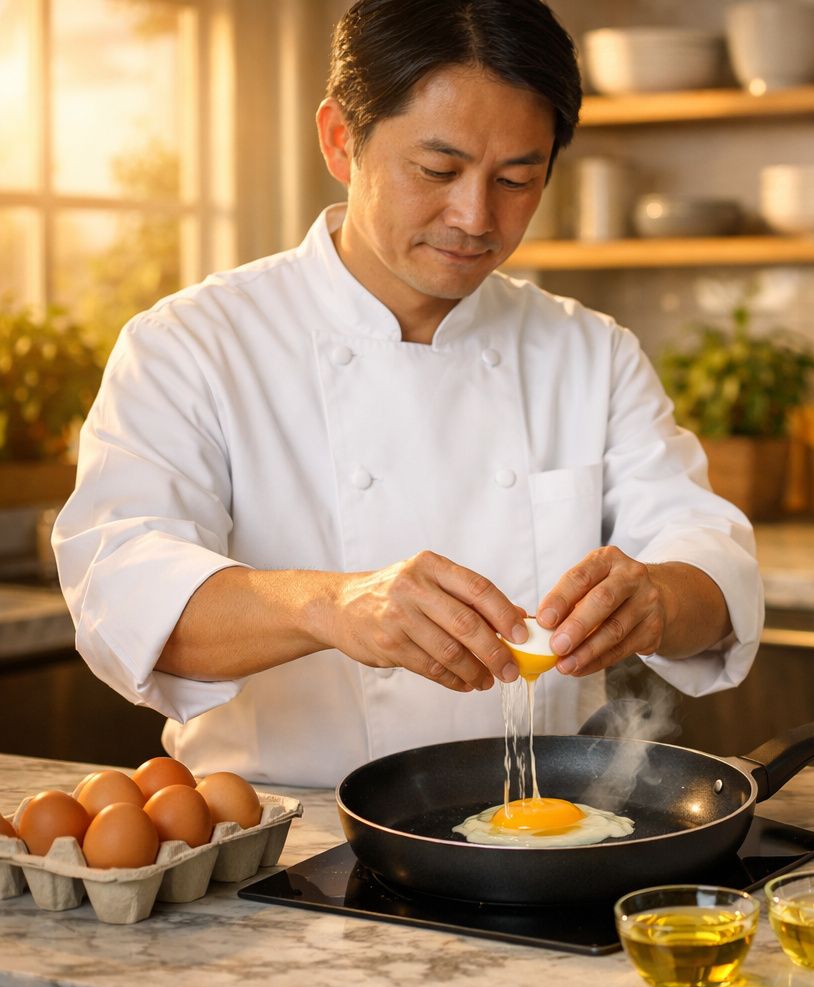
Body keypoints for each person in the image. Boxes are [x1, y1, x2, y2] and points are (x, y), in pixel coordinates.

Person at [52, 0, 763, 787]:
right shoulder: (192, 343)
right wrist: (329, 605)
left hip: (541, 833)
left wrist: (657, 597)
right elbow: (122, 596)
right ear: (339, 139)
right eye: (437, 170)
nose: (474, 216)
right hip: (278, 844)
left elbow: (710, 563)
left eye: (518, 179)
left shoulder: (588, 351)